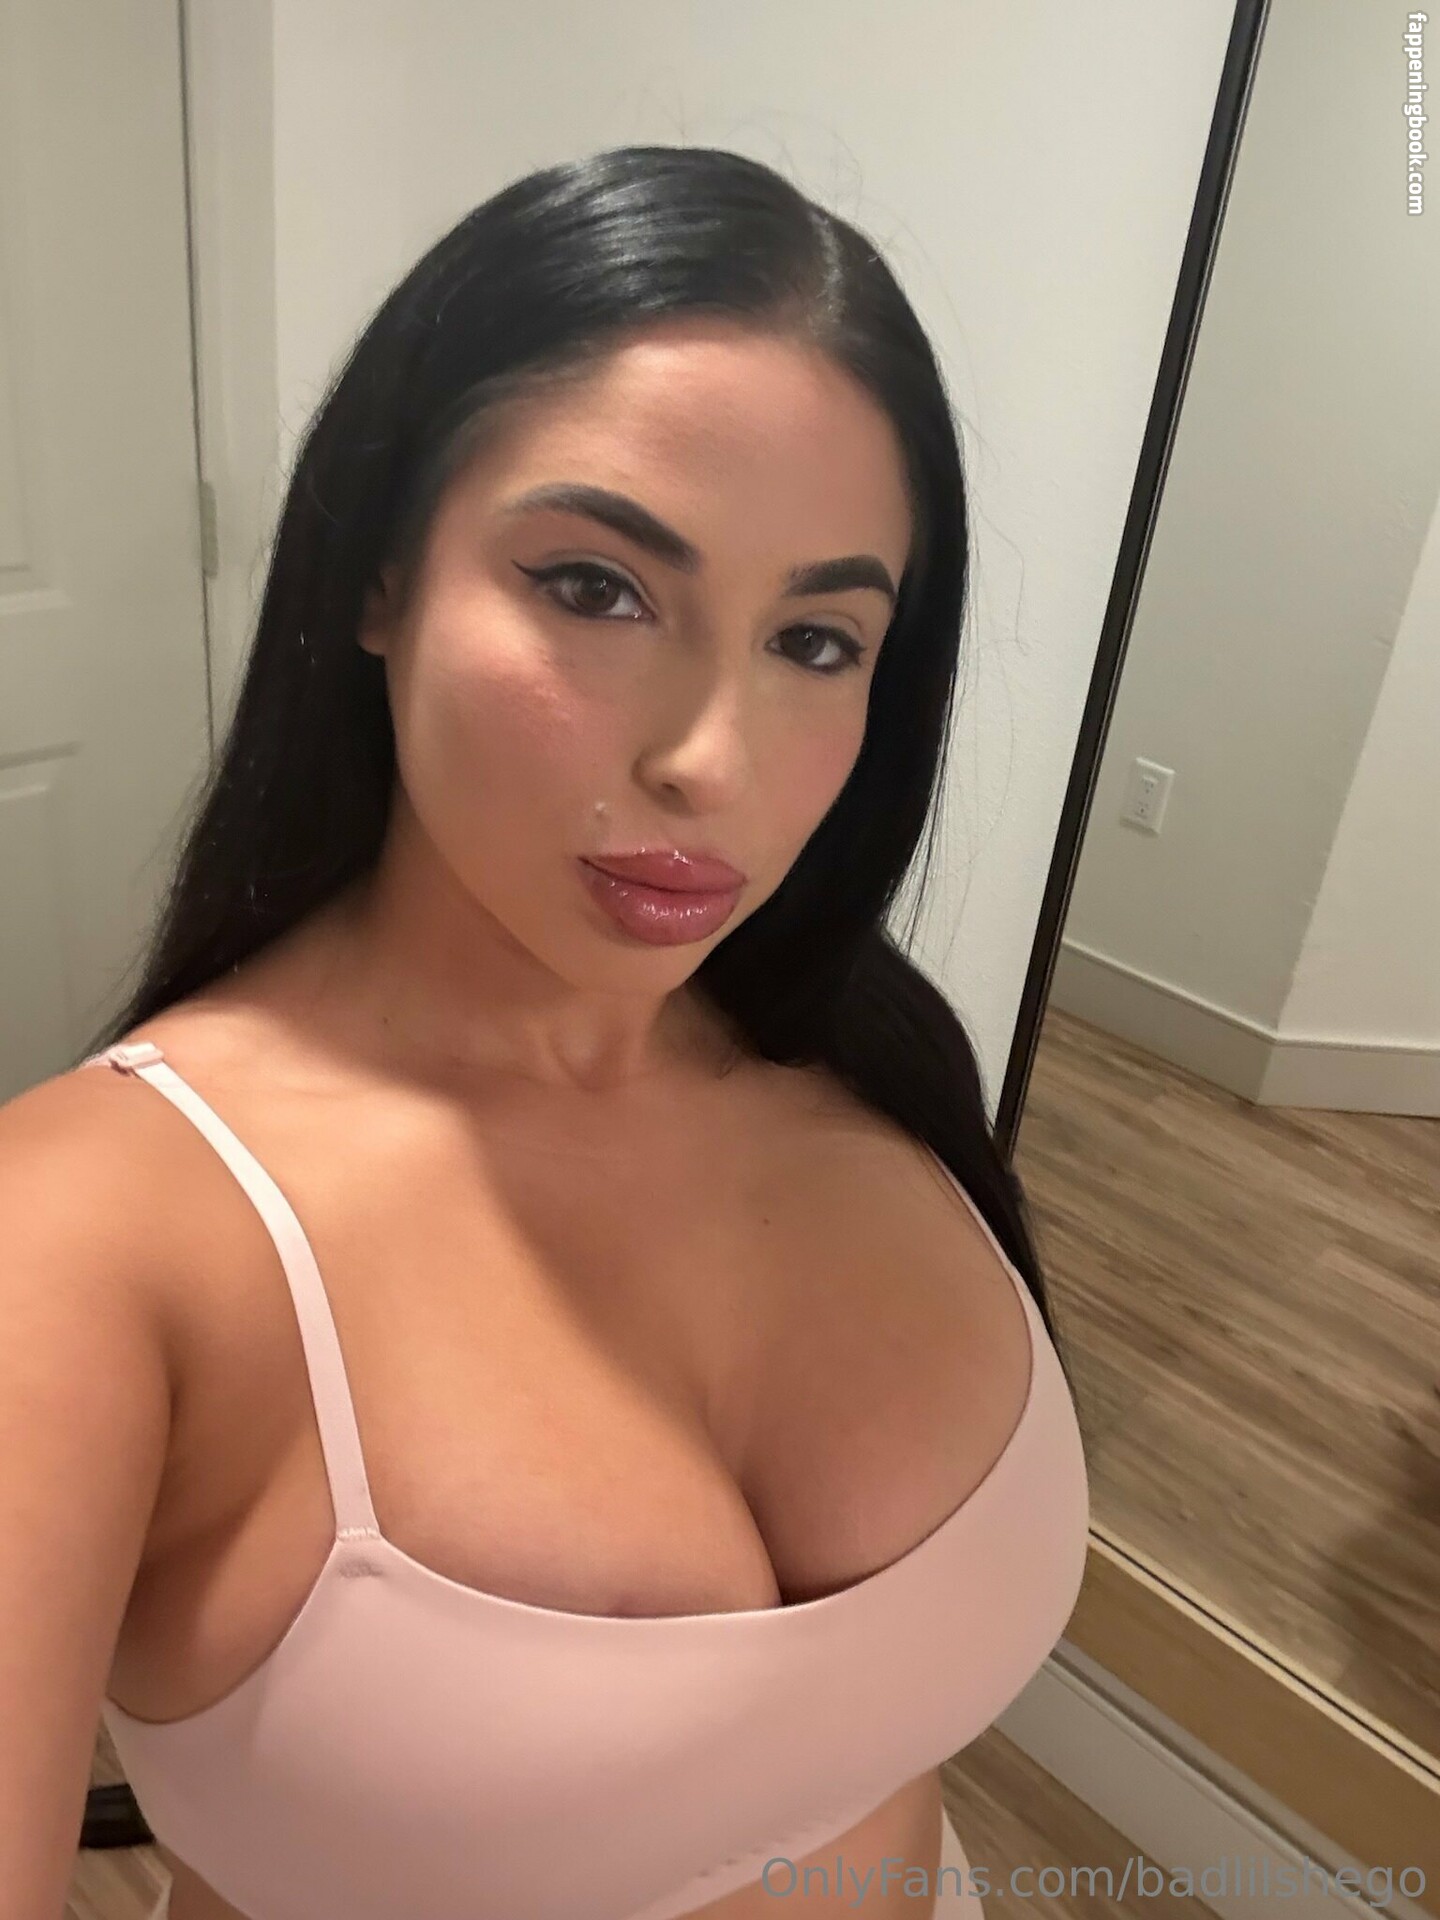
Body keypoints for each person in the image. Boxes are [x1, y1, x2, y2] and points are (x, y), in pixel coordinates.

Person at [2, 146, 1088, 1920]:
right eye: (596, 588)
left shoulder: (865, 1059)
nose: (712, 763)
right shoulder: (83, 1241)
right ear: (379, 573)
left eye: (818, 641)